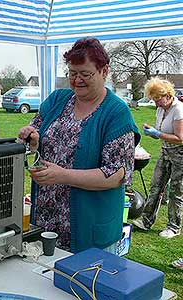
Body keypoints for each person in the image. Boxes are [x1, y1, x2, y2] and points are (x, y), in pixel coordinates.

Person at [18, 37, 140, 254]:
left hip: (89, 229)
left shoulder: (117, 113)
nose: (77, 80)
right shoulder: (57, 100)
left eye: (85, 74)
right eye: (72, 74)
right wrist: (32, 139)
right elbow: (35, 132)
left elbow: (116, 175)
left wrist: (64, 176)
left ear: (104, 71)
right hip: (46, 221)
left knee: (84, 287)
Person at [132, 77, 183, 238]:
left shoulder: (178, 109)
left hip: (179, 154)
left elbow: (180, 138)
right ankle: (146, 220)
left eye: (157, 99)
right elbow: (161, 135)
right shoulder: (161, 109)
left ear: (167, 95)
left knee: (176, 191)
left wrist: (158, 133)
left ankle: (173, 227)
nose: (156, 103)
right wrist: (152, 132)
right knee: (156, 186)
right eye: (153, 99)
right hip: (165, 151)